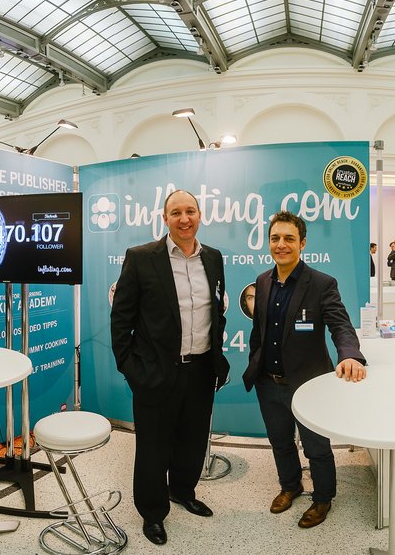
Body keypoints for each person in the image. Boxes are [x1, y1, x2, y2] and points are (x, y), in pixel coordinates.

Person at [109, 189, 229, 546]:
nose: (184, 219)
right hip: (155, 372)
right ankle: (152, 512)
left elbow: (216, 311)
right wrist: (130, 367)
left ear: (200, 215)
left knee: (192, 441)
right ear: (165, 219)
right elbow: (121, 319)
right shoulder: (141, 258)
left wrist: (217, 357)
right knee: (153, 448)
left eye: (190, 211)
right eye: (176, 212)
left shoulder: (214, 258)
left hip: (201, 369)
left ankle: (182, 491)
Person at [242, 211, 366, 529]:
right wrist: (255, 362)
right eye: (275, 238)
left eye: (289, 238)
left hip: (309, 386)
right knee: (280, 441)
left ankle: (322, 498)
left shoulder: (321, 284)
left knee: (317, 448)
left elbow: (341, 325)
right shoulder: (263, 282)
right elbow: (259, 331)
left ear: (302, 243)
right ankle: (290, 486)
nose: (281, 245)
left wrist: (350, 355)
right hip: (269, 383)